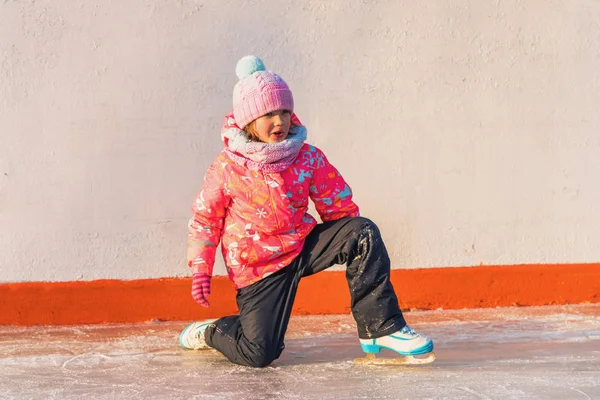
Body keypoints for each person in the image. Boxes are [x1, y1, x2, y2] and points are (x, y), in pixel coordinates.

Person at [179, 56, 433, 368]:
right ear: (248, 121)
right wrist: (201, 269)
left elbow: (337, 204)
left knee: (362, 232)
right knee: (258, 354)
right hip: (259, 267)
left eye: (285, 111)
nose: (280, 121)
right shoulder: (227, 167)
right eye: (268, 113)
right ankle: (212, 332)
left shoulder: (305, 156)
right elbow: (206, 218)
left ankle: (380, 327)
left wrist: (348, 239)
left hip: (301, 244)